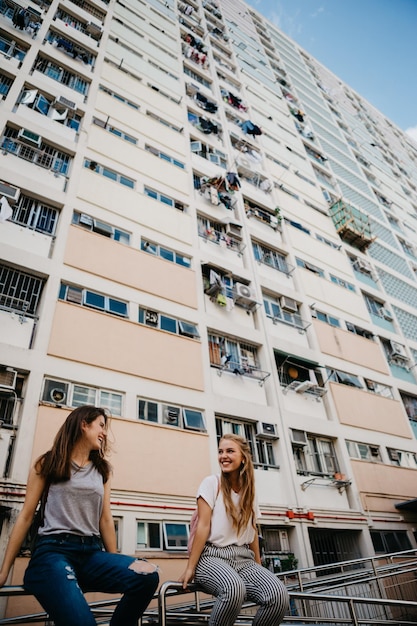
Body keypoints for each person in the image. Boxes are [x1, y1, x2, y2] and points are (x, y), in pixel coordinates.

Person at [0, 405, 159, 626]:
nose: (105, 433)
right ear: (84, 424)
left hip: (90, 553)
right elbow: (26, 516)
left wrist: (114, 560)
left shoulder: (103, 470)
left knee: (148, 576)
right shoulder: (47, 463)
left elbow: (105, 519)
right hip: (53, 552)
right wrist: (4, 570)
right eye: (101, 426)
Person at [179, 433, 289, 626]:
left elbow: (252, 530)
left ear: (243, 457)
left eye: (230, 451)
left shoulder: (250, 492)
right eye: (221, 451)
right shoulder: (211, 483)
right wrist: (190, 567)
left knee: (278, 595)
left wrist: (258, 565)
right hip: (211, 556)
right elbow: (203, 527)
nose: (223, 456)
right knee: (233, 589)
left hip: (243, 559)